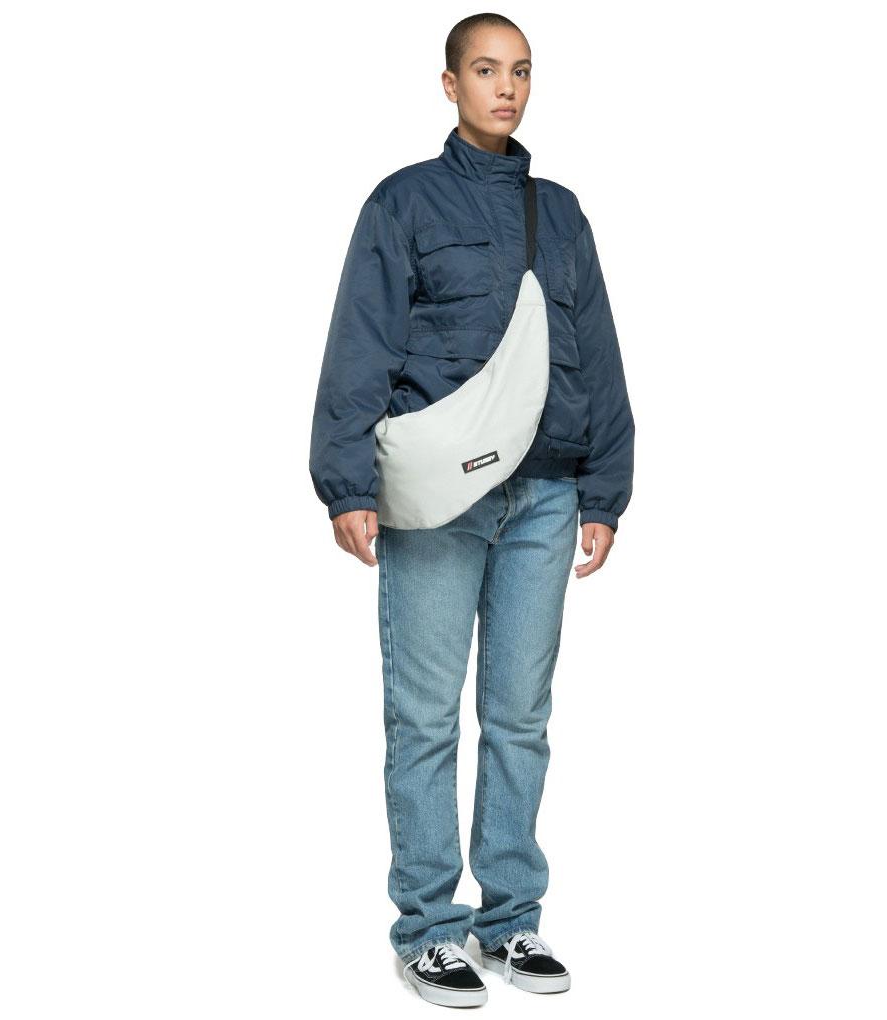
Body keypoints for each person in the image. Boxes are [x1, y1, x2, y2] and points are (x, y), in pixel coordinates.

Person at [309, 14, 635, 1008]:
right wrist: (346, 484)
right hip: (436, 496)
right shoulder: (402, 201)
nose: (507, 87)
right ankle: (429, 927)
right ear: (449, 84)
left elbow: (599, 349)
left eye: (520, 71)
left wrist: (606, 488)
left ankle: (510, 919)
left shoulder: (562, 214)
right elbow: (360, 341)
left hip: (547, 494)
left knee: (520, 717)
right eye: (486, 70)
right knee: (422, 718)